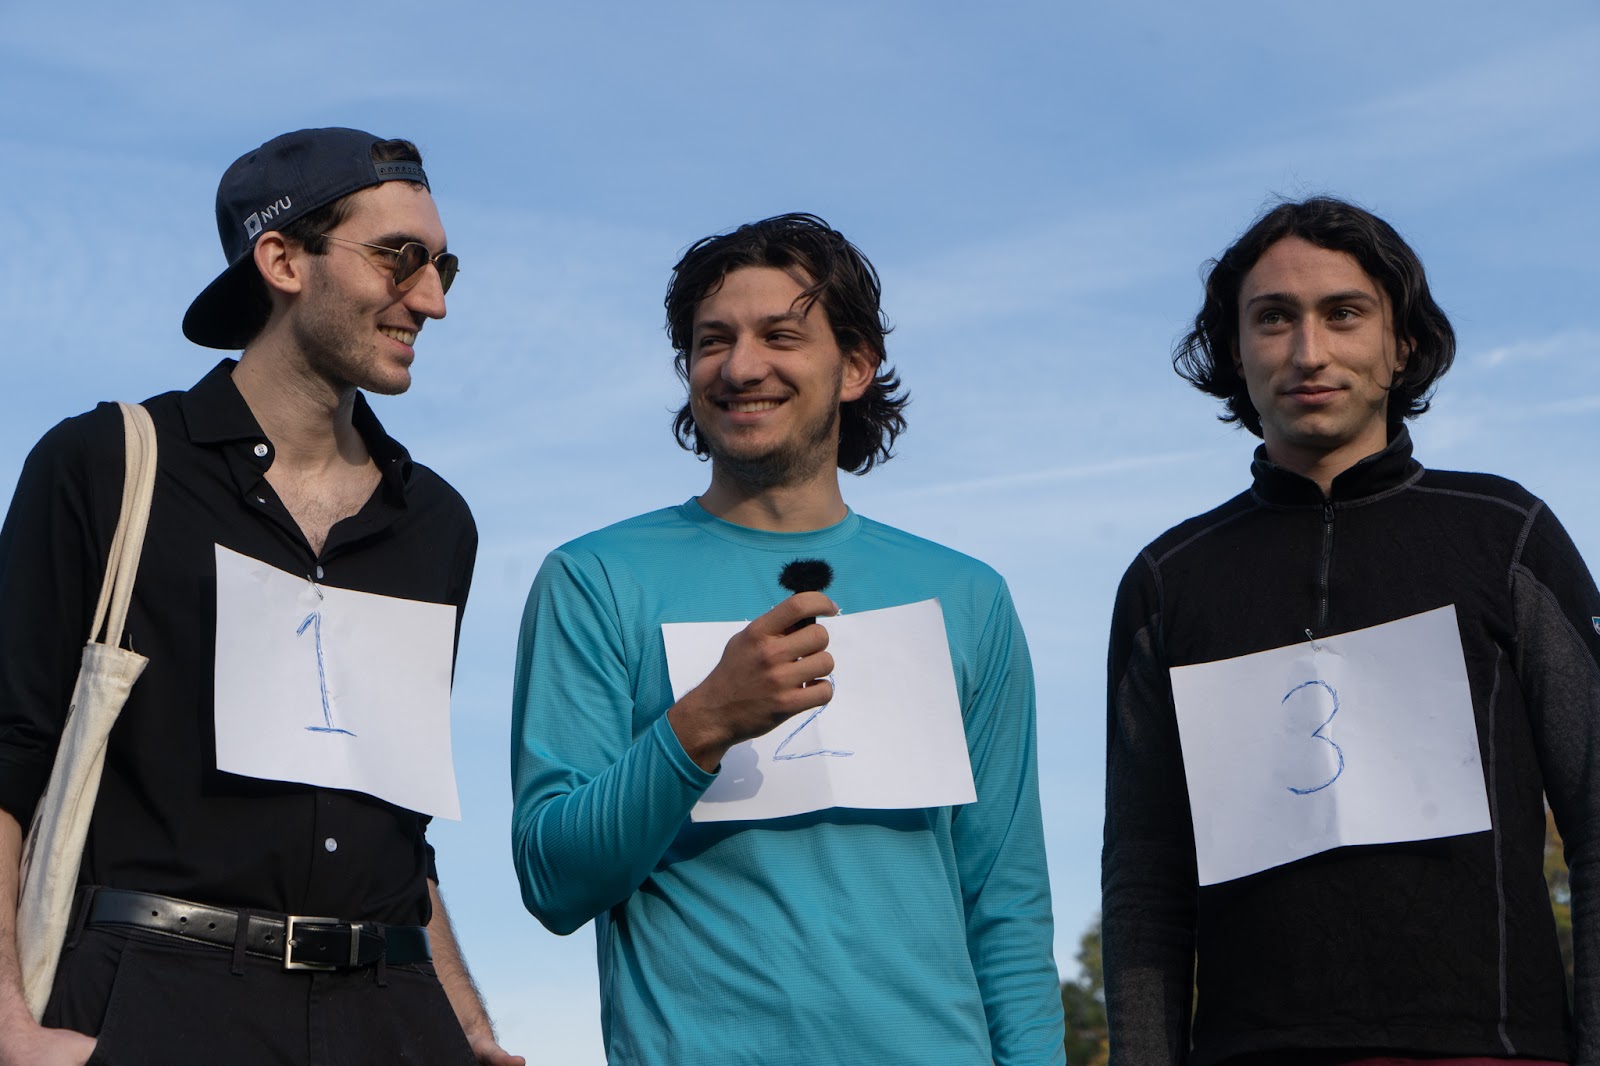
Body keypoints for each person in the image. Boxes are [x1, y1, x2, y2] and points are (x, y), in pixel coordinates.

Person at [0, 128, 521, 1066]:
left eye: (444, 266)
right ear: (281, 258)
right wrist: (6, 1027)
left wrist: (467, 1025)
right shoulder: (107, 465)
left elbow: (396, 822)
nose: (434, 300)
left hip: (395, 1017)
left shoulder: (437, 523)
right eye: (401, 259)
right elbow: (5, 761)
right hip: (152, 1004)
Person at [510, 213, 1066, 1064]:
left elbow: (1005, 898)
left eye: (780, 336)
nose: (740, 367)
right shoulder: (594, 580)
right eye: (711, 341)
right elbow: (553, 880)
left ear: (855, 366)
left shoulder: (968, 597)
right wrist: (702, 723)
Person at [1101, 196, 1599, 1065]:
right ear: (1235, 352)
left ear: (1400, 342)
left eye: (1344, 314)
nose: (1309, 351)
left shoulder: (1505, 533)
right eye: (1273, 320)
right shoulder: (1167, 581)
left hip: (1495, 1050)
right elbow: (1145, 881)